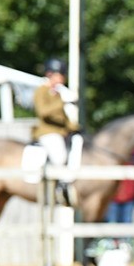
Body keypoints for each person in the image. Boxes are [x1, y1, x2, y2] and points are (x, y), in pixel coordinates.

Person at [32, 58, 82, 204]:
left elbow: (63, 119)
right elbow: (43, 112)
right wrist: (62, 102)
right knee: (59, 156)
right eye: (59, 75)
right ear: (50, 75)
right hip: (47, 132)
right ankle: (60, 187)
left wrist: (76, 128)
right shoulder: (41, 91)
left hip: (61, 132)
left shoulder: (58, 94)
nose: (62, 79)